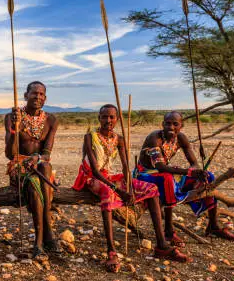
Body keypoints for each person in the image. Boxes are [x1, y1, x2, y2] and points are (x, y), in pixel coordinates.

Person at [72, 105, 188, 272]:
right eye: (104, 117)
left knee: (151, 189)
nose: (108, 121)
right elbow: (96, 171)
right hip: (91, 177)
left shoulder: (119, 138)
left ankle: (162, 244)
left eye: (112, 117)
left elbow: (126, 167)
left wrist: (131, 190)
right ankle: (111, 250)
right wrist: (120, 191)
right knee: (107, 192)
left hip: (110, 176)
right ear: (99, 118)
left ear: (117, 119)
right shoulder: (90, 137)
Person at [135, 111, 234, 247]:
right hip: (145, 174)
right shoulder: (154, 139)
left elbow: (194, 163)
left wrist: (198, 172)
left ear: (181, 126)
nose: (171, 127)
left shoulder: (181, 138)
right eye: (167, 123)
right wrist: (189, 172)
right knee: (167, 180)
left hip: (166, 171)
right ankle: (168, 231)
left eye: (175, 124)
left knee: (208, 177)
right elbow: (160, 167)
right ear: (162, 124)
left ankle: (213, 226)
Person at [4, 81, 61, 260]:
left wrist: (36, 159)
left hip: (41, 166)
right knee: (35, 181)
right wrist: (14, 130)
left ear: (45, 98)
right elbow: (9, 154)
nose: (37, 97)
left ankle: (40, 242)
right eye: (34, 93)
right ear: (25, 96)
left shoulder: (51, 120)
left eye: (41, 94)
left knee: (43, 167)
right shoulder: (12, 116)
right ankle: (45, 236)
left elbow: (46, 154)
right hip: (19, 165)